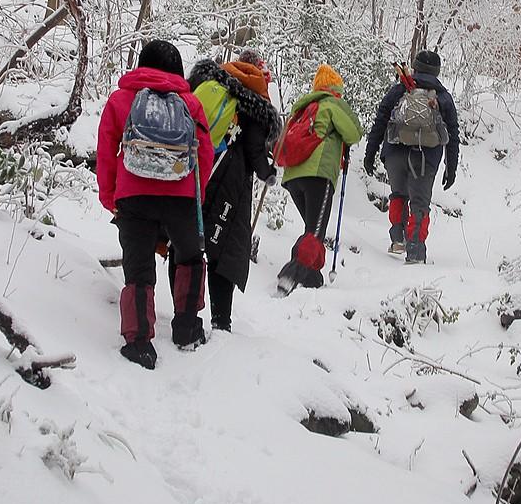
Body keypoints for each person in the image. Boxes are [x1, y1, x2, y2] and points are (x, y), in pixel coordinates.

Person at [96, 40, 213, 368]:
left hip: (133, 196)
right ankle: (187, 328)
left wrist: (109, 195)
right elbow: (203, 153)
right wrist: (196, 196)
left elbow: (106, 150)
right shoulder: (190, 103)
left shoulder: (122, 99)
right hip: (181, 195)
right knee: (190, 257)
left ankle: (139, 342)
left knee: (139, 265)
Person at [187, 48, 281, 332]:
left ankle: (186, 311)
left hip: (201, 169)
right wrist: (268, 173)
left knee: (192, 242)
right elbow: (254, 150)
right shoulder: (252, 99)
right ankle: (221, 321)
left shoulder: (212, 82)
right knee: (224, 249)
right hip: (232, 181)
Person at [363, 49, 459, 264]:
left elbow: (380, 120)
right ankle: (415, 251)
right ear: (437, 71)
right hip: (426, 158)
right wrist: (450, 167)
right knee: (420, 203)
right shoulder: (443, 97)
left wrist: (371, 153)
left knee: (398, 194)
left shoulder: (400, 89)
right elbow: (453, 133)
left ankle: (398, 239)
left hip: (395, 153)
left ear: (415, 67)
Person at [277, 63, 362, 295]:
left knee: (312, 229)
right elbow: (355, 132)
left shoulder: (303, 108)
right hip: (319, 175)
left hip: (293, 176)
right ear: (335, 87)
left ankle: (312, 277)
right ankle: (292, 273)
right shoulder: (333, 103)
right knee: (315, 232)